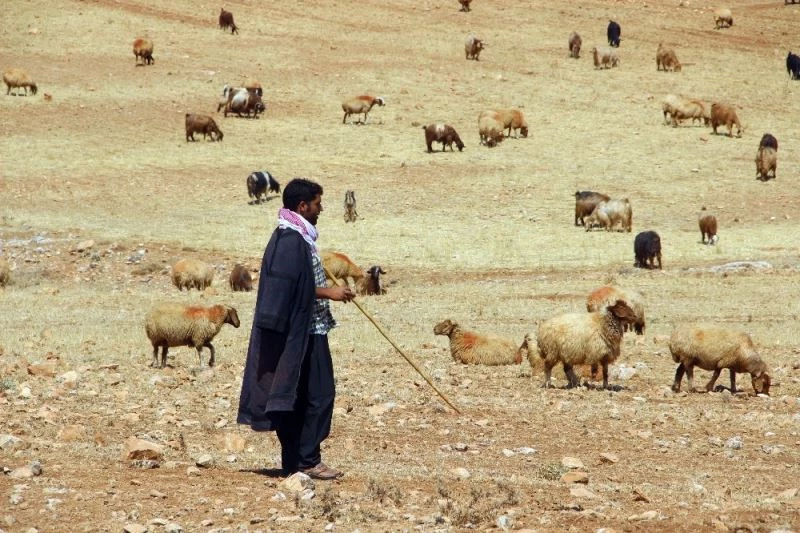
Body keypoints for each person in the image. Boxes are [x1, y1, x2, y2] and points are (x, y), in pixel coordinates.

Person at [237, 178, 354, 480]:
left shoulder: (296, 236)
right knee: (320, 394)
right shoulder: (290, 241)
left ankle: (294, 462)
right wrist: (330, 293)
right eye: (317, 204)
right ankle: (308, 460)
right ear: (302, 206)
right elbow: (289, 289)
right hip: (304, 333)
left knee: (300, 396)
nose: (321, 209)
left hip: (305, 329)